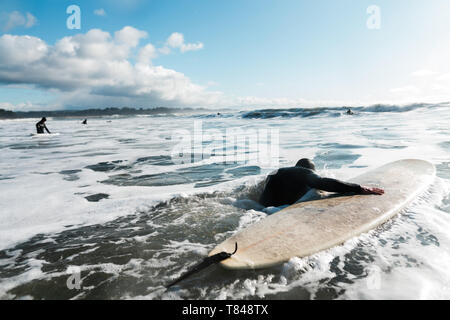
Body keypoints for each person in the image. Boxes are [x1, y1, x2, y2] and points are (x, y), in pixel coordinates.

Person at [259, 158, 384, 207]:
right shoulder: (304, 172)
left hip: (263, 205)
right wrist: (358, 188)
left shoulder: (280, 171)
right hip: (278, 209)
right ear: (311, 170)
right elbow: (323, 183)